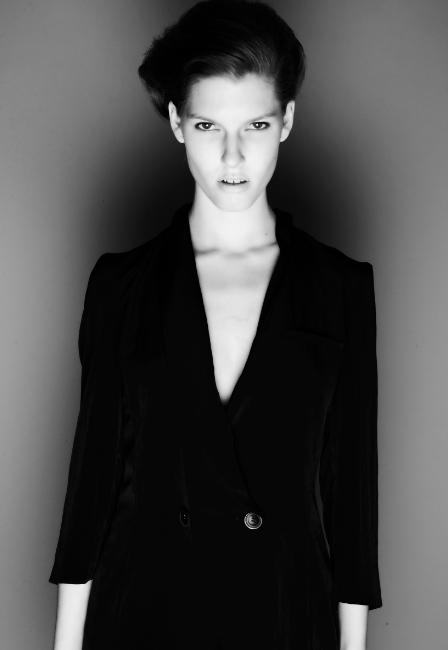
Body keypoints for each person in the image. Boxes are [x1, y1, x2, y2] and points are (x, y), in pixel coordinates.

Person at [49, 2, 383, 649]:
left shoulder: (340, 288)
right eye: (208, 125)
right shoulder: (122, 285)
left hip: (284, 617)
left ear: (287, 120)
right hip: (142, 616)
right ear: (178, 122)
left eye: (256, 124)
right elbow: (89, 494)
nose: (233, 155)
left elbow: (352, 506)